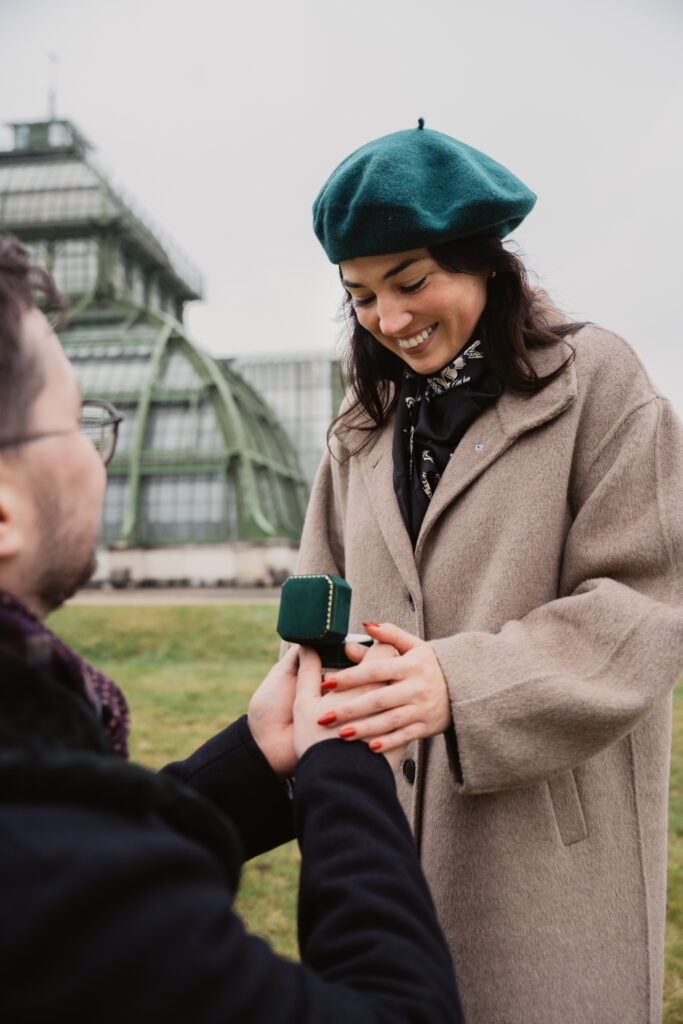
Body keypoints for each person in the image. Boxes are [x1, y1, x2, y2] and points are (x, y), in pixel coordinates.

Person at [0, 233, 464, 1023]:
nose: (96, 456)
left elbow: (87, 841)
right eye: (74, 423)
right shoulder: (45, 878)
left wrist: (252, 760)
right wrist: (341, 767)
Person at [296, 121, 683, 1024]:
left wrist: (461, 684)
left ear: (485, 262)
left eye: (410, 282)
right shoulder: (361, 422)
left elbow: (648, 602)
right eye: (360, 296)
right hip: (377, 843)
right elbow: (319, 596)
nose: (388, 320)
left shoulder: (598, 381)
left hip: (544, 856)